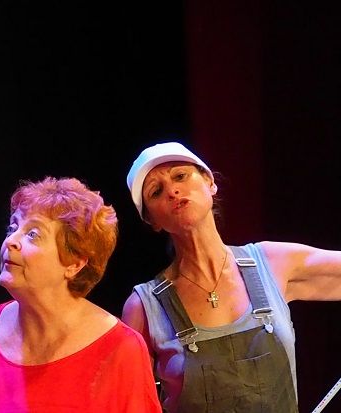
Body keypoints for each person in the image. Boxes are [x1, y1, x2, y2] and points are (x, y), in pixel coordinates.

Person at [121, 141, 341, 412]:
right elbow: (128, 401)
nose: (172, 191)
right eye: (156, 191)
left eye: (180, 176)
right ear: (152, 221)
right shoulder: (144, 307)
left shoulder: (272, 263)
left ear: (210, 183)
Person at [0, 177, 161, 412]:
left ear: (75, 263)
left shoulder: (122, 350)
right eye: (13, 228)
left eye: (33, 234)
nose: (11, 241)